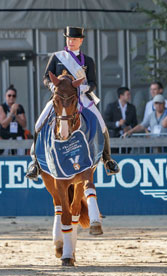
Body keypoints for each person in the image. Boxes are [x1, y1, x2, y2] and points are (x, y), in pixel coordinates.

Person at [27, 26, 119, 180]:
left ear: (81, 41)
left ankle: (108, 159)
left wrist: (84, 88)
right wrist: (52, 86)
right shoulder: (57, 57)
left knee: (102, 124)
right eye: (69, 39)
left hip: (81, 97)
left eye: (74, 39)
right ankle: (35, 163)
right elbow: (46, 77)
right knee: (38, 124)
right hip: (60, 98)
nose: (71, 41)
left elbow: (93, 82)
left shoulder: (88, 61)